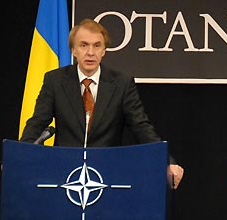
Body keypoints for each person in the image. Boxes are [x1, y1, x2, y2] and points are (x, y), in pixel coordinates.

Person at [20, 18, 184, 188]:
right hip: (64, 173)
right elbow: (37, 123)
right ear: (73, 50)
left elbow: (142, 128)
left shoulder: (121, 84)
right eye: (84, 45)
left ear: (104, 51)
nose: (90, 52)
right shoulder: (55, 81)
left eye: (97, 46)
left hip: (107, 175)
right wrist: (18, 156)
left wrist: (167, 162)